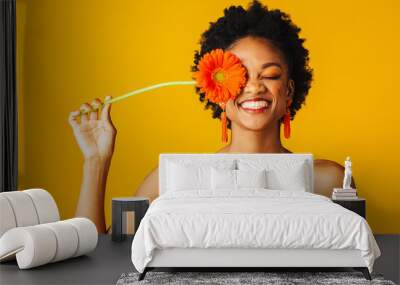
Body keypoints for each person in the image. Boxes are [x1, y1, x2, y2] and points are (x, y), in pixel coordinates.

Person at [68, 0, 355, 233]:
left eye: (269, 75)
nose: (254, 86)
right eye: (240, 75)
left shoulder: (329, 180)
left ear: (289, 90)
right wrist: (96, 162)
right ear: (215, 89)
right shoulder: (167, 181)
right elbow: (105, 255)